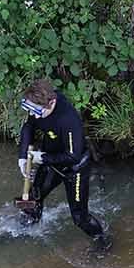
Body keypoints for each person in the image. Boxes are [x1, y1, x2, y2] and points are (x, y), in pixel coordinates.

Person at [17, 78, 112, 251]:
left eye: (37, 111)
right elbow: (28, 127)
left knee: (79, 218)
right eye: (29, 109)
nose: (33, 115)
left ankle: (103, 241)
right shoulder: (37, 109)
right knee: (33, 197)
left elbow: (73, 156)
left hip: (75, 170)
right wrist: (22, 157)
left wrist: (43, 158)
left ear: (51, 102)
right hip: (51, 161)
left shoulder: (68, 119)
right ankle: (27, 228)